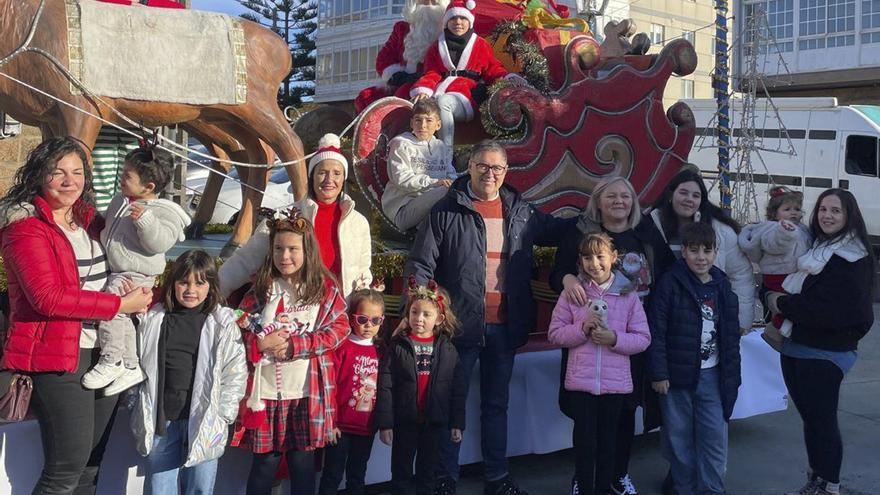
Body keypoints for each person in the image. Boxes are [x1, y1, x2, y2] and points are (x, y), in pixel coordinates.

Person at [406, 140, 571, 495]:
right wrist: (423, 311)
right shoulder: (446, 211)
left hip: (505, 327)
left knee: (497, 407)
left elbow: (562, 232)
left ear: (506, 172)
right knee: (452, 406)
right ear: (470, 167)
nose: (489, 173)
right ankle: (444, 479)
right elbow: (421, 265)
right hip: (458, 327)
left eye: (497, 167)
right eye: (482, 166)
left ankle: (496, 479)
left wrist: (599, 220)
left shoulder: (520, 210)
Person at [0, 137, 153, 494]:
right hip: (57, 357)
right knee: (64, 469)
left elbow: (130, 261)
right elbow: (47, 298)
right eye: (58, 173)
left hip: (105, 352)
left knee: (90, 466)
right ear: (40, 176)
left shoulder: (90, 222)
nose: (70, 181)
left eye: (77, 172)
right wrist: (119, 307)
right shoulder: (25, 229)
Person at [549, 176, 674, 495]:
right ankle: (584, 477)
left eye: (626, 196)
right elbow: (558, 272)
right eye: (611, 196)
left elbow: (669, 273)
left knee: (625, 411)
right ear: (598, 202)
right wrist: (567, 281)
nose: (619, 201)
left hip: (630, 337)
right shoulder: (580, 233)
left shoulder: (645, 232)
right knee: (586, 417)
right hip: (585, 340)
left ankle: (618, 474)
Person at [231, 212, 349, 495]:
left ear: (307, 250)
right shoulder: (262, 287)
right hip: (267, 394)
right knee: (264, 464)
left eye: (293, 249)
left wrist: (299, 344)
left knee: (302, 462)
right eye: (279, 249)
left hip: (307, 393)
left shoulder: (323, 288)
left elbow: (340, 328)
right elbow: (239, 331)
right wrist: (258, 343)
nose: (285, 256)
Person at [765, 189, 874, 495]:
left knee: (822, 423)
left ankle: (829, 486)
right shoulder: (816, 248)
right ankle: (817, 481)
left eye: (835, 210)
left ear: (849, 215)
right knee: (812, 421)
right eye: (823, 209)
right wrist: (772, 295)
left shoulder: (852, 257)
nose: (827, 215)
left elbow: (834, 311)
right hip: (796, 345)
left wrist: (782, 304)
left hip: (826, 353)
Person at [130, 249, 247, 494]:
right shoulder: (154, 319)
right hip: (163, 419)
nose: (190, 290)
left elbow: (234, 372)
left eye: (199, 283)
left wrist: (224, 414)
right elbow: (139, 362)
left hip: (205, 418)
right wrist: (135, 401)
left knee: (200, 488)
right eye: (183, 282)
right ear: (173, 284)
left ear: (211, 286)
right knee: (160, 487)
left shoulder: (221, 324)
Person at [82, 145, 191, 395]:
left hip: (137, 273)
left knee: (111, 309)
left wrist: (145, 221)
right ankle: (130, 364)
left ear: (149, 187)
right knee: (122, 318)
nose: (122, 178)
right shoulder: (120, 200)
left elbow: (160, 242)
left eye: (128, 176)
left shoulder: (164, 211)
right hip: (118, 270)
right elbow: (109, 228)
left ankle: (111, 359)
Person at [547, 233, 651, 495]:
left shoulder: (628, 295)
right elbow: (555, 334)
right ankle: (583, 487)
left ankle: (604, 488)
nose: (594, 263)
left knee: (608, 444)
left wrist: (614, 338)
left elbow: (642, 338)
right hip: (580, 384)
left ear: (613, 258)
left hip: (615, 386)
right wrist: (581, 329)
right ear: (580, 261)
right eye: (587, 257)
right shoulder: (574, 294)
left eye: (600, 256)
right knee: (584, 444)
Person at [648, 222, 742, 495]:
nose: (701, 257)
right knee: (679, 437)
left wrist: (732, 376)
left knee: (714, 437)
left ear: (715, 253)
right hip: (676, 377)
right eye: (694, 250)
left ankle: (712, 489)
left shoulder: (722, 285)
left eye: (707, 251)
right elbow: (657, 330)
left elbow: (731, 337)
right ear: (684, 253)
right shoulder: (670, 283)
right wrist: (659, 373)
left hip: (713, 375)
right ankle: (684, 488)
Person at [219, 133, 371, 300]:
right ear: (312, 175)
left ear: (343, 179)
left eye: (336, 173)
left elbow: (362, 273)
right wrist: (214, 292)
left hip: (339, 313)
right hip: (295, 311)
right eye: (322, 172)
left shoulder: (358, 223)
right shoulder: (284, 217)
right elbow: (246, 261)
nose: (329, 179)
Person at [377, 279, 465, 495]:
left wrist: (457, 422)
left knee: (428, 474)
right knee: (401, 473)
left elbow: (457, 389)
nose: (419, 318)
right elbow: (386, 385)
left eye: (426, 314)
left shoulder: (448, 350)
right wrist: (385, 423)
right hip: (404, 421)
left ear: (439, 319)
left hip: (434, 423)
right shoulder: (398, 346)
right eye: (414, 312)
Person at [647, 168, 755, 335]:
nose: (689, 199)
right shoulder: (650, 226)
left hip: (707, 321)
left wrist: (740, 320)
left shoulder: (721, 232)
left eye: (695, 195)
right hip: (661, 318)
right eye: (683, 193)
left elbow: (740, 274)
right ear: (670, 195)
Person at [410, 0, 522, 147]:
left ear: (470, 21)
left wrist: (509, 79)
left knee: (444, 103)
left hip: (467, 95)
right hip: (439, 92)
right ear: (446, 22)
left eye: (463, 18)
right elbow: (432, 72)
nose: (458, 22)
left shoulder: (480, 44)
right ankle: (423, 150)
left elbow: (493, 70)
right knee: (423, 106)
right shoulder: (436, 47)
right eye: (453, 18)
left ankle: (445, 152)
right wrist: (424, 89)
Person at [318, 284, 385, 495]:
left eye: (375, 321)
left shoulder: (382, 350)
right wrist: (332, 422)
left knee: (357, 475)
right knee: (332, 474)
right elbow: (331, 386)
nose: (368, 325)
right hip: (340, 427)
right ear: (352, 317)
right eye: (362, 319)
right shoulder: (342, 347)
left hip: (366, 427)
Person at [737, 186, 811, 351]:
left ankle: (783, 331)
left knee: (793, 306)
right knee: (784, 307)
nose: (793, 212)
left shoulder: (802, 229)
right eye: (787, 209)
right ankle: (774, 331)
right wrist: (784, 233)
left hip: (793, 274)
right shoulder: (773, 229)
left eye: (797, 209)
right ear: (774, 213)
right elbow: (773, 244)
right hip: (779, 275)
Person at [354, 0, 450, 112]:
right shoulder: (401, 29)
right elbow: (384, 59)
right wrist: (396, 75)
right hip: (404, 80)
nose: (428, 5)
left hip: (436, 82)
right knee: (366, 97)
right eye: (423, 1)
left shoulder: (450, 30)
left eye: (434, 2)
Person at [382, 98, 458, 231]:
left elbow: (450, 174)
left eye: (429, 120)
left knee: (463, 190)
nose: (422, 125)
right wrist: (435, 182)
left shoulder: (441, 147)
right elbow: (401, 179)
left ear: (438, 125)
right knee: (447, 191)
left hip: (434, 203)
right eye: (418, 120)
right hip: (404, 208)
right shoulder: (401, 144)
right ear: (412, 123)